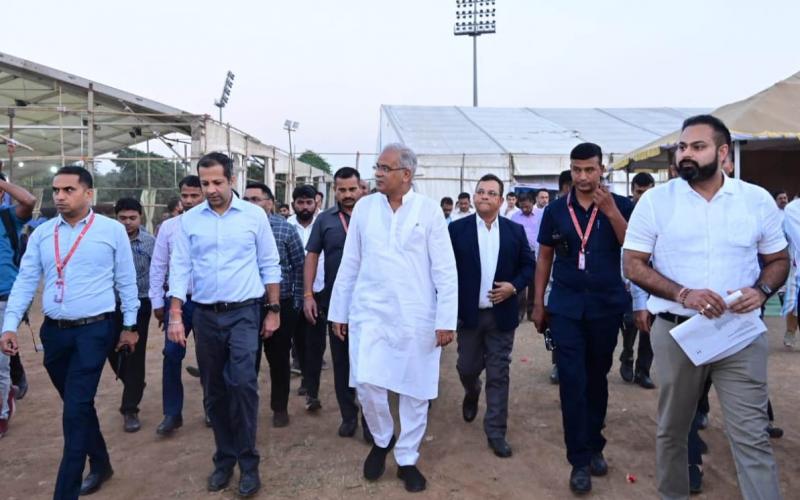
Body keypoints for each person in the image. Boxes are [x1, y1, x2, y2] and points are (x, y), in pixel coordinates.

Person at [623, 114, 788, 500]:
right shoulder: (656, 201)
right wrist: (684, 294)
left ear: (723, 153)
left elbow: (779, 260)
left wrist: (762, 290)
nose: (686, 154)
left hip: (739, 333)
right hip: (678, 331)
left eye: (697, 147)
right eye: (682, 147)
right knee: (672, 432)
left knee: (752, 435)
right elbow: (631, 263)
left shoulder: (754, 200)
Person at [1, 166, 139, 498]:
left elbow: (127, 280)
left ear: (89, 194)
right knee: (78, 405)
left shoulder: (110, 231)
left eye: (68, 190)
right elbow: (25, 282)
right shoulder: (43, 233)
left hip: (95, 331)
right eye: (55, 191)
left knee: (75, 410)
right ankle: (102, 462)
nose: (60, 197)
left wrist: (130, 326)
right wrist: (9, 326)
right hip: (55, 335)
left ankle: (66, 491)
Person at [329, 143, 457, 493]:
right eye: (377, 167)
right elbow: (350, 262)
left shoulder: (429, 211)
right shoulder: (366, 209)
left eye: (385, 168)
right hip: (370, 312)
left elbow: (445, 270)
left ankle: (407, 459)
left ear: (406, 174)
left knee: (416, 390)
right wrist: (339, 311)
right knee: (368, 381)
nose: (378, 174)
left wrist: (446, 320)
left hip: (417, 315)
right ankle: (382, 438)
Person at [167, 152, 281, 497]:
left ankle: (248, 462)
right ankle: (224, 459)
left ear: (232, 180)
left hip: (245, 312)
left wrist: (273, 309)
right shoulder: (190, 221)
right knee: (214, 390)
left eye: (217, 182)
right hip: (205, 315)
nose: (211, 189)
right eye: (205, 183)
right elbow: (180, 268)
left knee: (244, 384)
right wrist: (175, 314)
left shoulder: (253, 216)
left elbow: (269, 263)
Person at [533, 143, 634, 494]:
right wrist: (537, 303)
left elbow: (632, 246)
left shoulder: (620, 204)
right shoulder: (557, 210)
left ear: (601, 169)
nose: (582, 177)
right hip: (566, 307)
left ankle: (594, 445)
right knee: (572, 381)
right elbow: (544, 257)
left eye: (589, 170)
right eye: (577, 170)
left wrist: (610, 212)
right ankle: (578, 459)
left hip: (606, 306)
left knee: (597, 378)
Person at [449, 174, 533, 458]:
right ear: (474, 197)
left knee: (499, 373)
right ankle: (472, 392)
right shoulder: (456, 231)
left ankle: (496, 431)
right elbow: (444, 271)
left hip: (502, 317)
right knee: (466, 368)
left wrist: (514, 286)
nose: (484, 196)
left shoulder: (514, 231)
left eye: (490, 193)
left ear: (500, 200)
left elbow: (529, 266)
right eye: (480, 192)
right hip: (469, 317)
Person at [304, 167, 372, 440]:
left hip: (371, 304)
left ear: (361, 188)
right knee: (342, 362)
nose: (346, 195)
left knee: (368, 364)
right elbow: (312, 255)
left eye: (351, 189)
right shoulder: (325, 221)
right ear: (335, 190)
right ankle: (348, 416)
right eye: (341, 190)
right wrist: (308, 294)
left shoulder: (375, 216)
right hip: (337, 305)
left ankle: (371, 421)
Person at [243, 181, 304, 427]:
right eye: (246, 200)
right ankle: (247, 410)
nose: (250, 205)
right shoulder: (238, 229)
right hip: (246, 305)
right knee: (248, 360)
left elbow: (299, 265)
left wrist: (298, 301)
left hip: (282, 304)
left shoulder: (285, 229)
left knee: (279, 360)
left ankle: (279, 407)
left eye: (256, 199)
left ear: (270, 202)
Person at [149, 175, 205, 436]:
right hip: (178, 303)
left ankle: (212, 409)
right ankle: (172, 413)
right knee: (171, 355)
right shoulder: (170, 227)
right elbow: (159, 265)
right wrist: (157, 302)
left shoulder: (215, 225)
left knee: (210, 358)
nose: (190, 201)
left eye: (196, 195)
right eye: (186, 196)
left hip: (207, 302)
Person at [108, 198, 155, 433]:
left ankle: (130, 409)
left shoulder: (149, 242)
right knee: (111, 349)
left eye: (132, 218)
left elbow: (159, 272)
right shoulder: (106, 240)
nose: (127, 223)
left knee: (134, 354)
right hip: (108, 305)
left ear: (141, 217)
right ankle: (134, 383)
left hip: (140, 305)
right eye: (122, 218)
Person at [0, 174, 35, 439]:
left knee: (0, 365)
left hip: (4, 298)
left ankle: (1, 414)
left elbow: (28, 200)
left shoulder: (8, 217)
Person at [288, 185, 325, 409]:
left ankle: (313, 392)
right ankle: (304, 378)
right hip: (293, 293)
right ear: (294, 204)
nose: (304, 207)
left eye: (308, 202)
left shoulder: (323, 224)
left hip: (319, 291)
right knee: (298, 342)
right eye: (300, 203)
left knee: (316, 344)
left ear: (315, 203)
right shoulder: (287, 226)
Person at [620, 172, 656, 389]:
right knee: (629, 321)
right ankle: (627, 353)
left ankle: (643, 370)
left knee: (649, 324)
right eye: (638, 192)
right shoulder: (624, 210)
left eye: (646, 192)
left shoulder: (657, 209)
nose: (642, 196)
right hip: (627, 273)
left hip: (653, 276)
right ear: (632, 190)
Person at [512, 191, 546, 323]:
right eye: (522, 207)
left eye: (527, 206)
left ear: (533, 202)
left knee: (534, 282)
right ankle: (519, 312)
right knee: (520, 282)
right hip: (520, 254)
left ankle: (532, 311)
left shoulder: (540, 215)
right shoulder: (515, 217)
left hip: (536, 253)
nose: (525, 209)